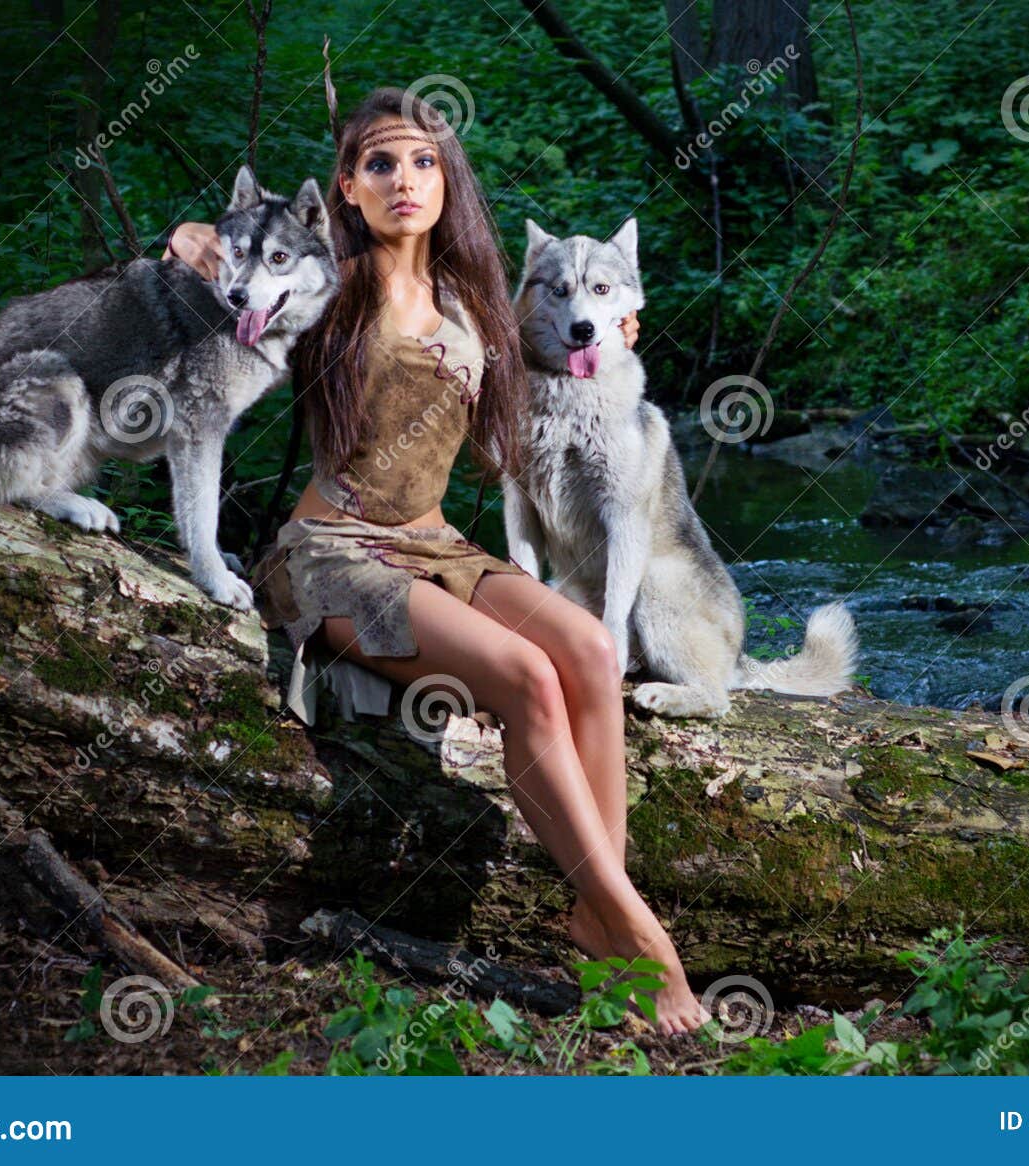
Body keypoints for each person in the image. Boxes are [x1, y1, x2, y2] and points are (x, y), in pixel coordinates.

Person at [162, 87, 710, 1034]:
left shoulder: (476, 297)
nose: (404, 180)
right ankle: (642, 933)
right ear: (347, 186)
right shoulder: (327, 277)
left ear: (447, 179)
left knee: (586, 649)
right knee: (528, 677)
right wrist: (190, 239)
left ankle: (594, 911)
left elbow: (566, 345)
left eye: (422, 161)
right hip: (333, 551)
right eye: (379, 163)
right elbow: (225, 257)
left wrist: (619, 324)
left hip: (434, 544)